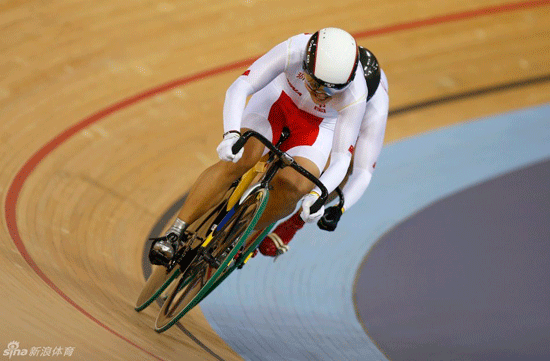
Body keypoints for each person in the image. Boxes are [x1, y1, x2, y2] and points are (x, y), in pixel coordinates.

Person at [149, 27, 369, 266]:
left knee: (297, 186)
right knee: (244, 157)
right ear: (305, 65)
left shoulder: (356, 94)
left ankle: (238, 237)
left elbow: (341, 158)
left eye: (331, 90)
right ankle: (175, 232)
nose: (320, 95)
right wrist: (232, 134)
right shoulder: (295, 49)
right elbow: (241, 86)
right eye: (315, 84)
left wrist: (317, 194)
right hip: (277, 99)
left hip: (317, 127)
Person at [258, 47, 389, 257]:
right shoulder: (332, 73)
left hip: (340, 120)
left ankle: (296, 222)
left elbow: (363, 172)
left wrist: (341, 208)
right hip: (323, 103)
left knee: (347, 163)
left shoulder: (375, 108)